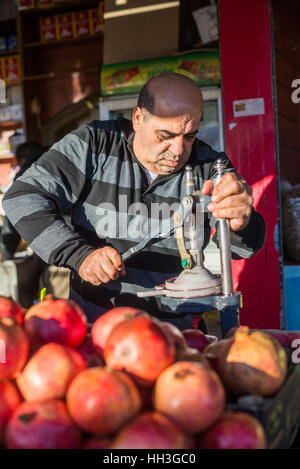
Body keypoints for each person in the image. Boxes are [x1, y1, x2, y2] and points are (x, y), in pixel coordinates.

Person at [2, 73, 265, 327]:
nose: (179, 150)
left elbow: (240, 250)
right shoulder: (94, 144)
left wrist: (241, 221)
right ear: (138, 118)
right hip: (95, 330)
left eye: (189, 135)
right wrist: (79, 255)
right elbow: (22, 198)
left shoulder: (209, 166)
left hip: (174, 336)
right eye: (165, 136)